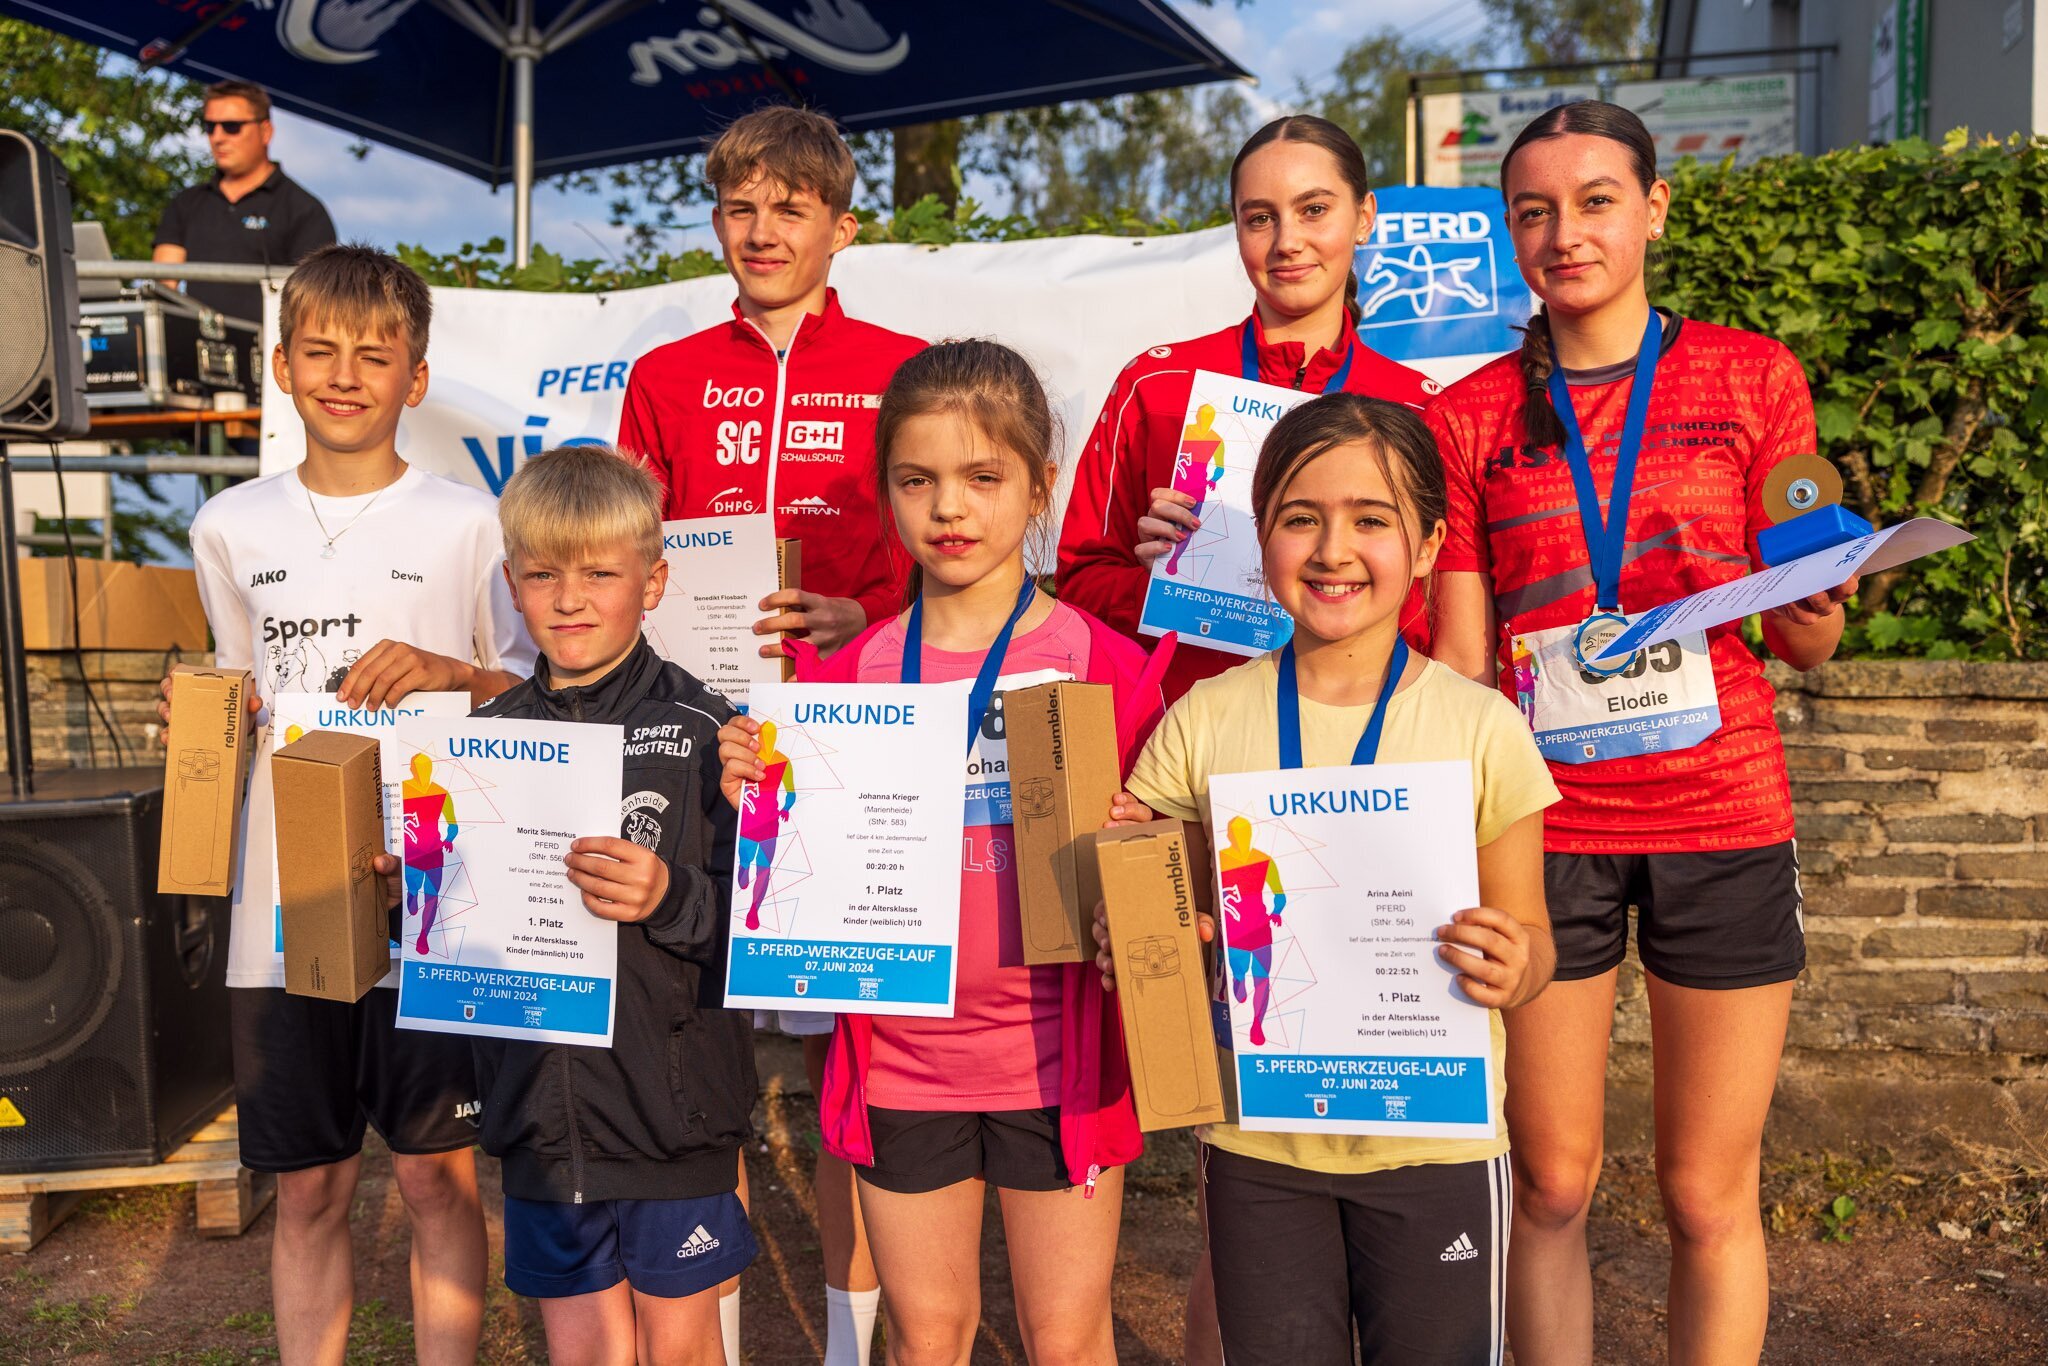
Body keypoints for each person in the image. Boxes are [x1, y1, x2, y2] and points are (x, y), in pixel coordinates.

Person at [1425, 101, 1861, 1365]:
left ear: (1653, 209)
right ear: (1509, 230)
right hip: (1541, 830)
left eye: (1595, 201)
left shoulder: (1752, 375)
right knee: (1549, 1181)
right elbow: (1461, 660)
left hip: (1722, 817)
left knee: (1704, 1194)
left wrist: (1820, 600)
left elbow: (1804, 640)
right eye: (1533, 211)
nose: (1564, 234)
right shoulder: (1469, 415)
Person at [717, 340, 1166, 1364]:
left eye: (982, 477)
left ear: (1040, 485)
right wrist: (756, 807)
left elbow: (1165, 870)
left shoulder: (1109, 668)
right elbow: (795, 888)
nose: (948, 508)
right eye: (916, 480)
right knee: (927, 1337)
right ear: (886, 491)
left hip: (1059, 1065)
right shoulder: (840, 681)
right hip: (904, 1066)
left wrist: (1148, 864)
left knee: (1065, 1340)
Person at [1103, 394, 1558, 1364]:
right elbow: (1158, 917)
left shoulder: (1481, 727)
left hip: (1436, 1145)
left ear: (1428, 546)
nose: (1332, 549)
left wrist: (1514, 962)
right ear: (1260, 536)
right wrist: (1138, 932)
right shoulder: (1204, 718)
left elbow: (1532, 942)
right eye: (1300, 517)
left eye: (1370, 519)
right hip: (1258, 1145)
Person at [167, 243, 531, 1365]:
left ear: (415, 378)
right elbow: (235, 695)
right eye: (320, 351)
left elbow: (529, 691)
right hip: (280, 906)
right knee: (310, 1186)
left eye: (374, 355)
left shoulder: (472, 523)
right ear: (281, 367)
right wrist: (199, 720)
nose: (344, 375)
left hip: (427, 893)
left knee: (434, 1176)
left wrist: (449, 672)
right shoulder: (229, 524)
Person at [617, 104, 921, 1364]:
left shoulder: (904, 368)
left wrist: (869, 615)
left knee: (850, 1076)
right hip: (702, 750)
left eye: (790, 208)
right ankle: (720, 1341)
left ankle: (850, 1344)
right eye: (739, 207)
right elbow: (624, 560)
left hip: (853, 749)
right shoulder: (665, 377)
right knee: (703, 1067)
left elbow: (956, 557)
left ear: (840, 227)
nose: (761, 231)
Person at [463, 444, 758, 1364]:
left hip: (673, 1121)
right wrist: (413, 890)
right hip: (542, 1125)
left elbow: (764, 931)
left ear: (653, 582)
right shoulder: (483, 742)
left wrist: (669, 896)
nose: (570, 599)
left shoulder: (717, 734)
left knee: (680, 1347)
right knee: (584, 1349)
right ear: (512, 586)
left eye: (599, 573)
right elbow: (458, 940)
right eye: (543, 574)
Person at [1057, 114, 1440, 710]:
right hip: (1185, 730)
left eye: (1314, 210)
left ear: (1364, 217)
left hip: (1362, 731)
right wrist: (1156, 585)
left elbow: (1441, 610)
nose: (1287, 241)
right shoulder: (1157, 386)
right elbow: (1080, 580)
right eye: (1260, 218)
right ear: (1235, 227)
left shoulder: (1421, 407)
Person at [153, 79, 337, 325]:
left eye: (232, 127)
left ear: (266, 131)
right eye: (210, 126)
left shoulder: (304, 210)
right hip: (193, 344)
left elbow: (315, 305)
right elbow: (163, 287)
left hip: (269, 346)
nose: (217, 137)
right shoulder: (186, 203)